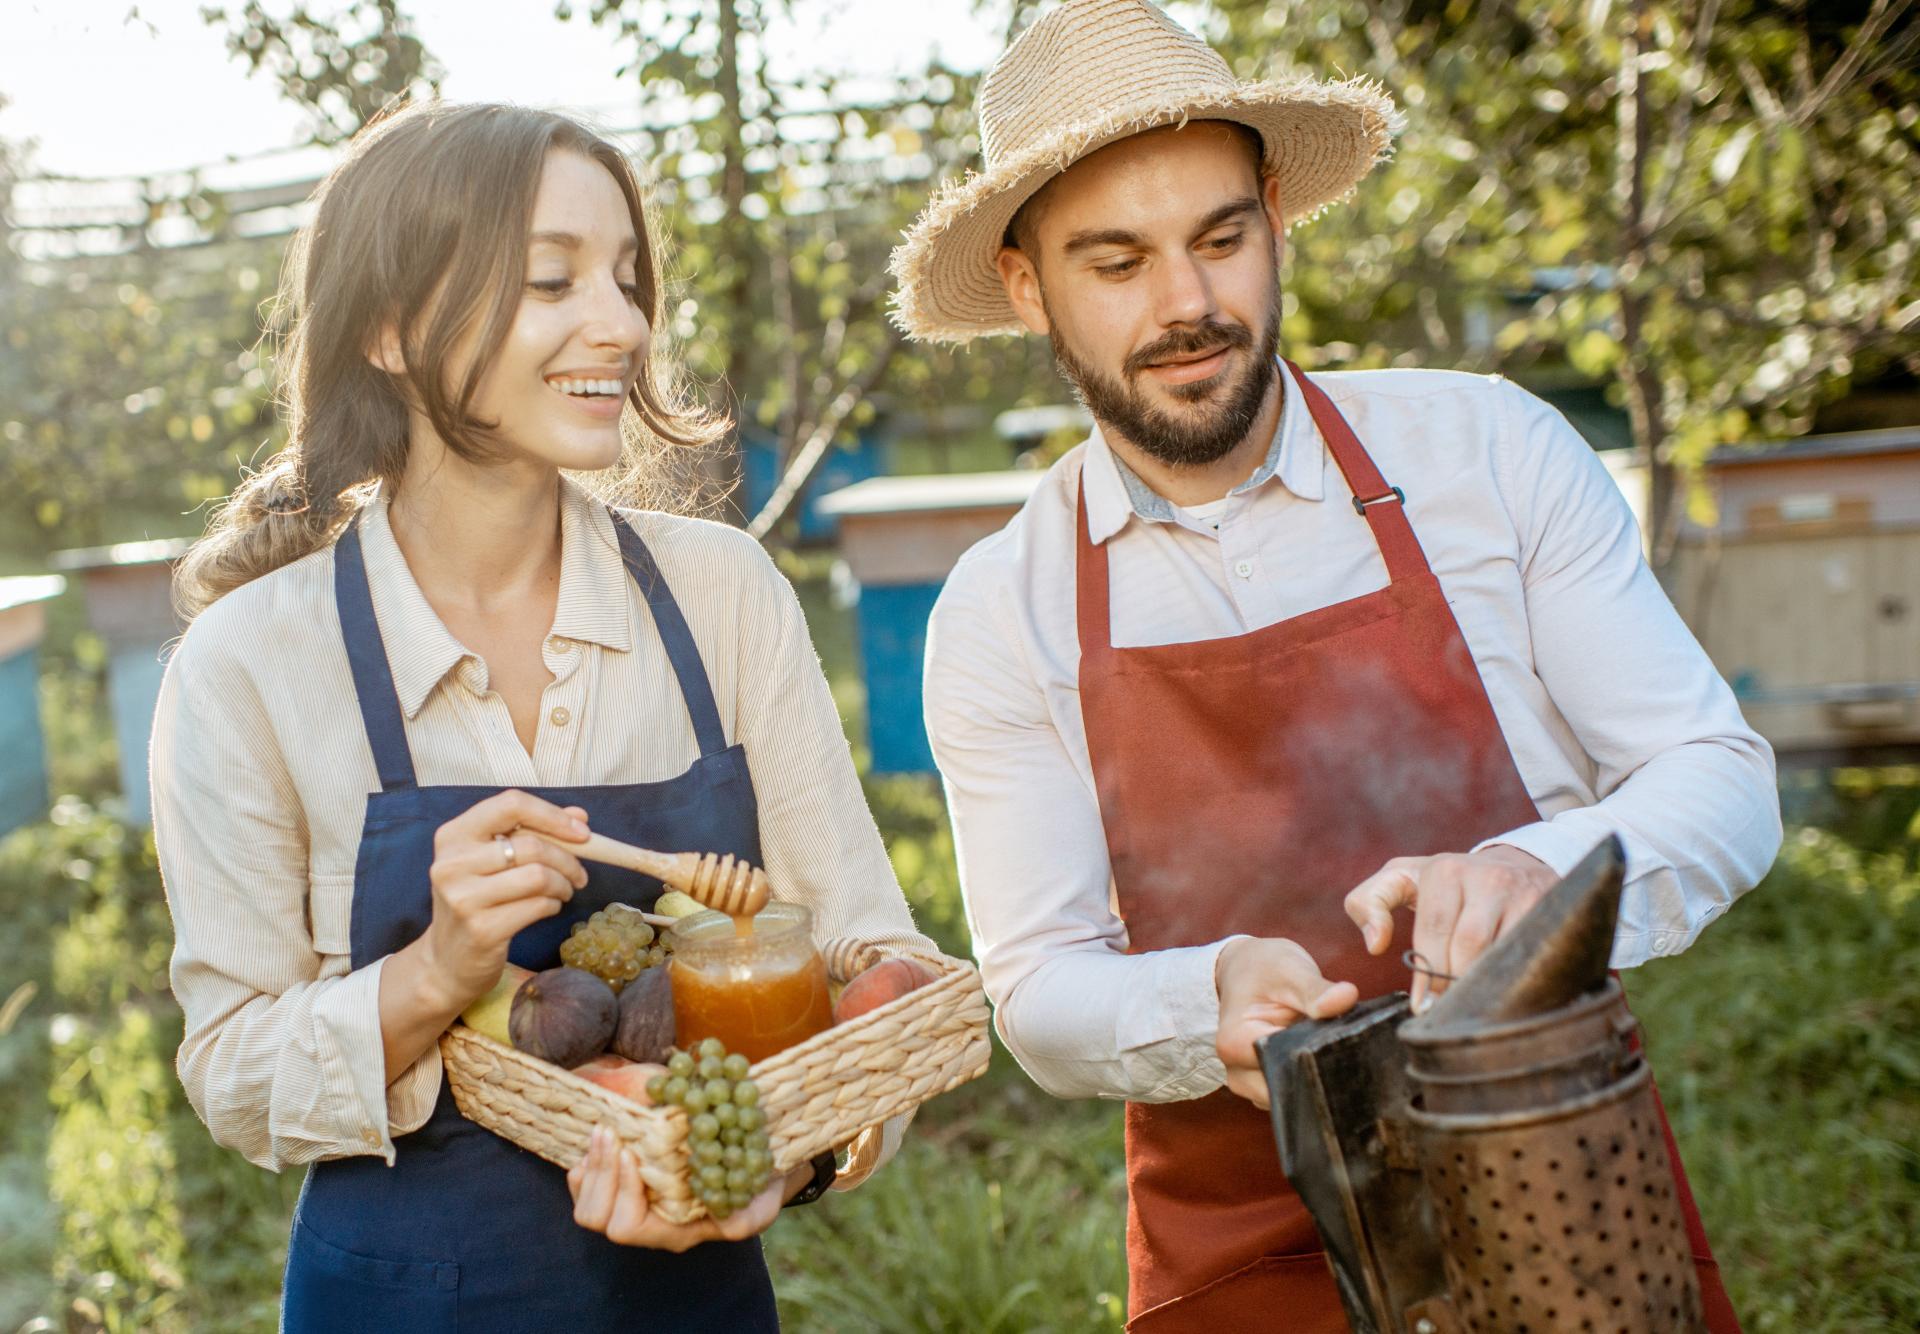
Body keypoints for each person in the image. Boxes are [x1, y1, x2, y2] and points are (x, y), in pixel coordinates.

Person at [900, 2, 1781, 1330]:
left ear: (1274, 213)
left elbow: (1719, 777)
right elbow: (1036, 986)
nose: (1188, 303)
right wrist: (1204, 1000)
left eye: (1219, 238)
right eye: (1117, 261)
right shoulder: (1001, 610)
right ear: (1029, 286)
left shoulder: (1490, 455)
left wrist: (1536, 872)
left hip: (1562, 1186)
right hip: (1235, 1247)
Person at [151, 101, 929, 1332]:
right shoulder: (252, 664)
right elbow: (233, 1074)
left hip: (699, 1295)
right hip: (398, 1299)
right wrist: (432, 972)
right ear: (391, 329)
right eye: (550, 279)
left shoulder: (718, 596)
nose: (619, 322)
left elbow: (870, 959)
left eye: (626, 276)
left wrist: (778, 1162)